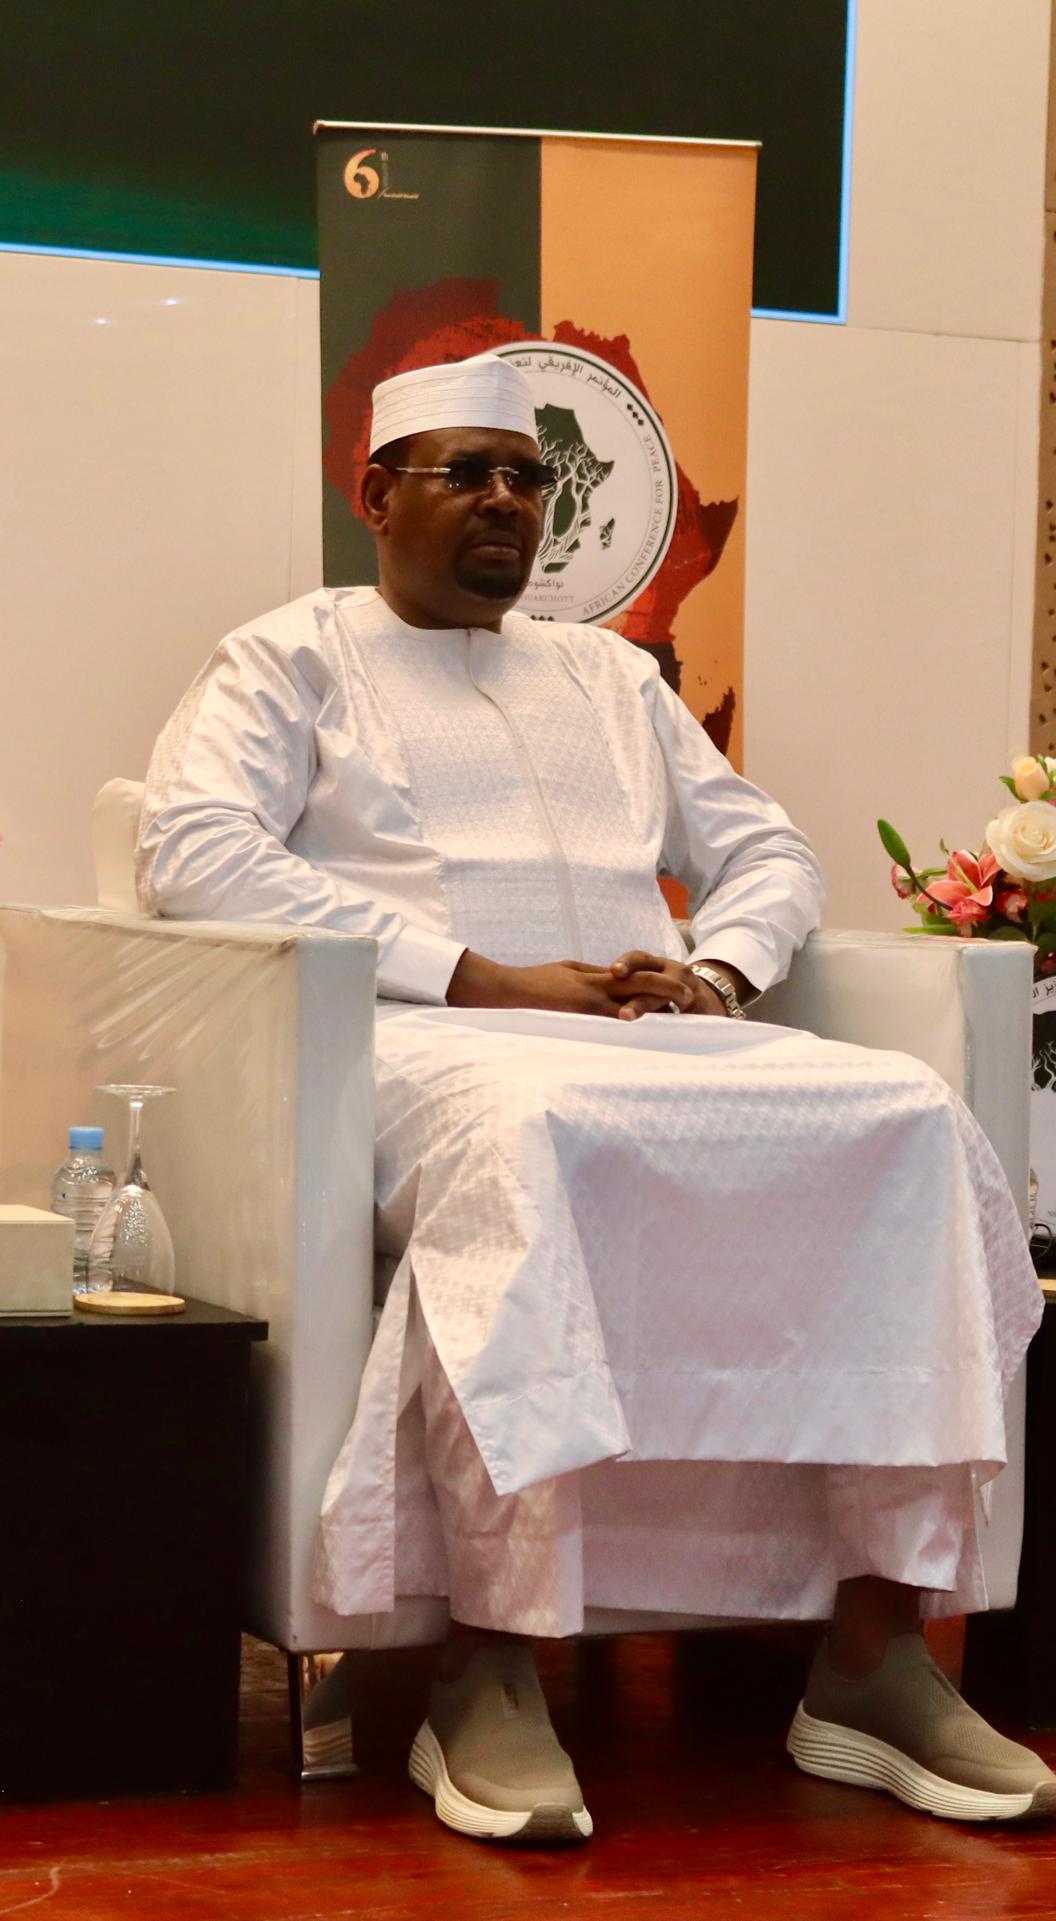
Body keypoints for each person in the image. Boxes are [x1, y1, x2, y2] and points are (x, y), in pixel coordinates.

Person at [139, 351, 1049, 1843]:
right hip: (417, 1040)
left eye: (529, 477)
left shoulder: (611, 675)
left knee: (912, 1121)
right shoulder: (288, 658)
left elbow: (769, 853)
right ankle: (485, 1660)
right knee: (531, 1137)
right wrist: (477, 974)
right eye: (467, 474)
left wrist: (718, 974)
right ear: (376, 495)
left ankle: (876, 1653)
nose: (507, 500)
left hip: (654, 1034)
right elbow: (196, 851)